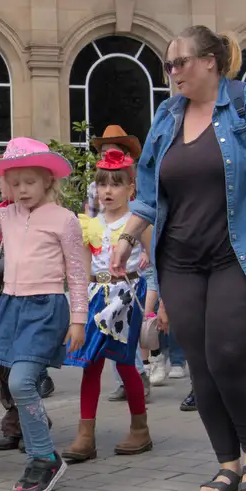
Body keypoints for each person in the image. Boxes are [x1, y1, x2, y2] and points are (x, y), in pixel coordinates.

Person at [111, 26, 246, 491]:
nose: (172, 72)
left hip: (239, 255)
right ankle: (226, 463)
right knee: (201, 362)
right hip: (179, 260)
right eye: (167, 65)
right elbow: (148, 193)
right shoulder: (166, 115)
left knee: (228, 352)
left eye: (180, 62)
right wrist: (125, 239)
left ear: (210, 62)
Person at [0, 138, 87, 491]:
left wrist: (79, 319)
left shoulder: (64, 219)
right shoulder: (5, 215)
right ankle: (38, 454)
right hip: (10, 305)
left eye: (30, 181)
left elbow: (77, 273)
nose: (22, 189)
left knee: (24, 382)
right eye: (14, 182)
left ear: (48, 181)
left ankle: (44, 456)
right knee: (13, 384)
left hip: (45, 307)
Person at [62, 149, 154, 462]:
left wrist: (157, 304)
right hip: (96, 296)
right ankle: (85, 436)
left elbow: (154, 264)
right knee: (90, 363)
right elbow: (83, 271)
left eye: (116, 184)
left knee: (126, 363)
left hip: (126, 296)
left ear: (131, 189)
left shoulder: (138, 222)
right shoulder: (89, 224)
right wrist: (78, 305)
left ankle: (140, 429)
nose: (108, 191)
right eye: (102, 184)